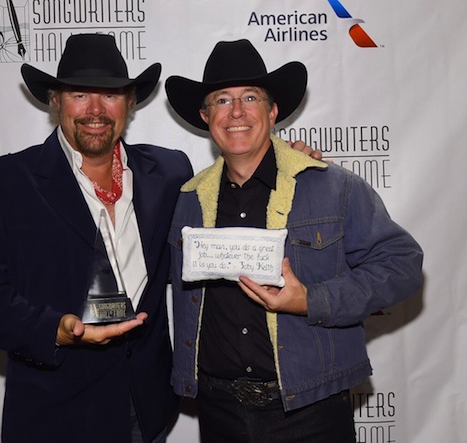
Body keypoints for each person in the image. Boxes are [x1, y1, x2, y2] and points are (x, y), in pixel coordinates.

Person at [165, 39, 423, 442]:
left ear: (272, 112)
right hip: (220, 413)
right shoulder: (187, 201)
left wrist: (311, 300)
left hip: (310, 413)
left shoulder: (333, 187)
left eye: (250, 98)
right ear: (205, 116)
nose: (236, 112)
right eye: (221, 100)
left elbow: (402, 264)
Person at [0, 33, 192, 443]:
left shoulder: (169, 172)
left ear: (130, 103)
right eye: (80, 95)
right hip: (55, 416)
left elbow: (227, 203)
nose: (95, 110)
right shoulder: (4, 182)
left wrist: (290, 160)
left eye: (110, 95)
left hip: (147, 410)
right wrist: (54, 330)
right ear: (55, 101)